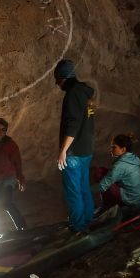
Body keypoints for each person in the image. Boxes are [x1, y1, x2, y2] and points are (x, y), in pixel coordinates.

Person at [54, 59, 96, 233]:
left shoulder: (72, 94)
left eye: (57, 80)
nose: (57, 84)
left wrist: (63, 151)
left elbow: (73, 123)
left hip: (74, 152)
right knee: (84, 187)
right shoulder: (86, 94)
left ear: (64, 78)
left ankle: (79, 227)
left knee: (73, 191)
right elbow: (86, 121)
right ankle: (88, 220)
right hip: (86, 149)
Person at [97, 134, 140, 222]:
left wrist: (84, 190)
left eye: (114, 147)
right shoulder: (134, 158)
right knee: (103, 172)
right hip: (138, 196)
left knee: (99, 174)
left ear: (123, 149)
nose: (111, 149)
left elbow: (102, 186)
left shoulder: (120, 166)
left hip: (129, 198)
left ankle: (107, 206)